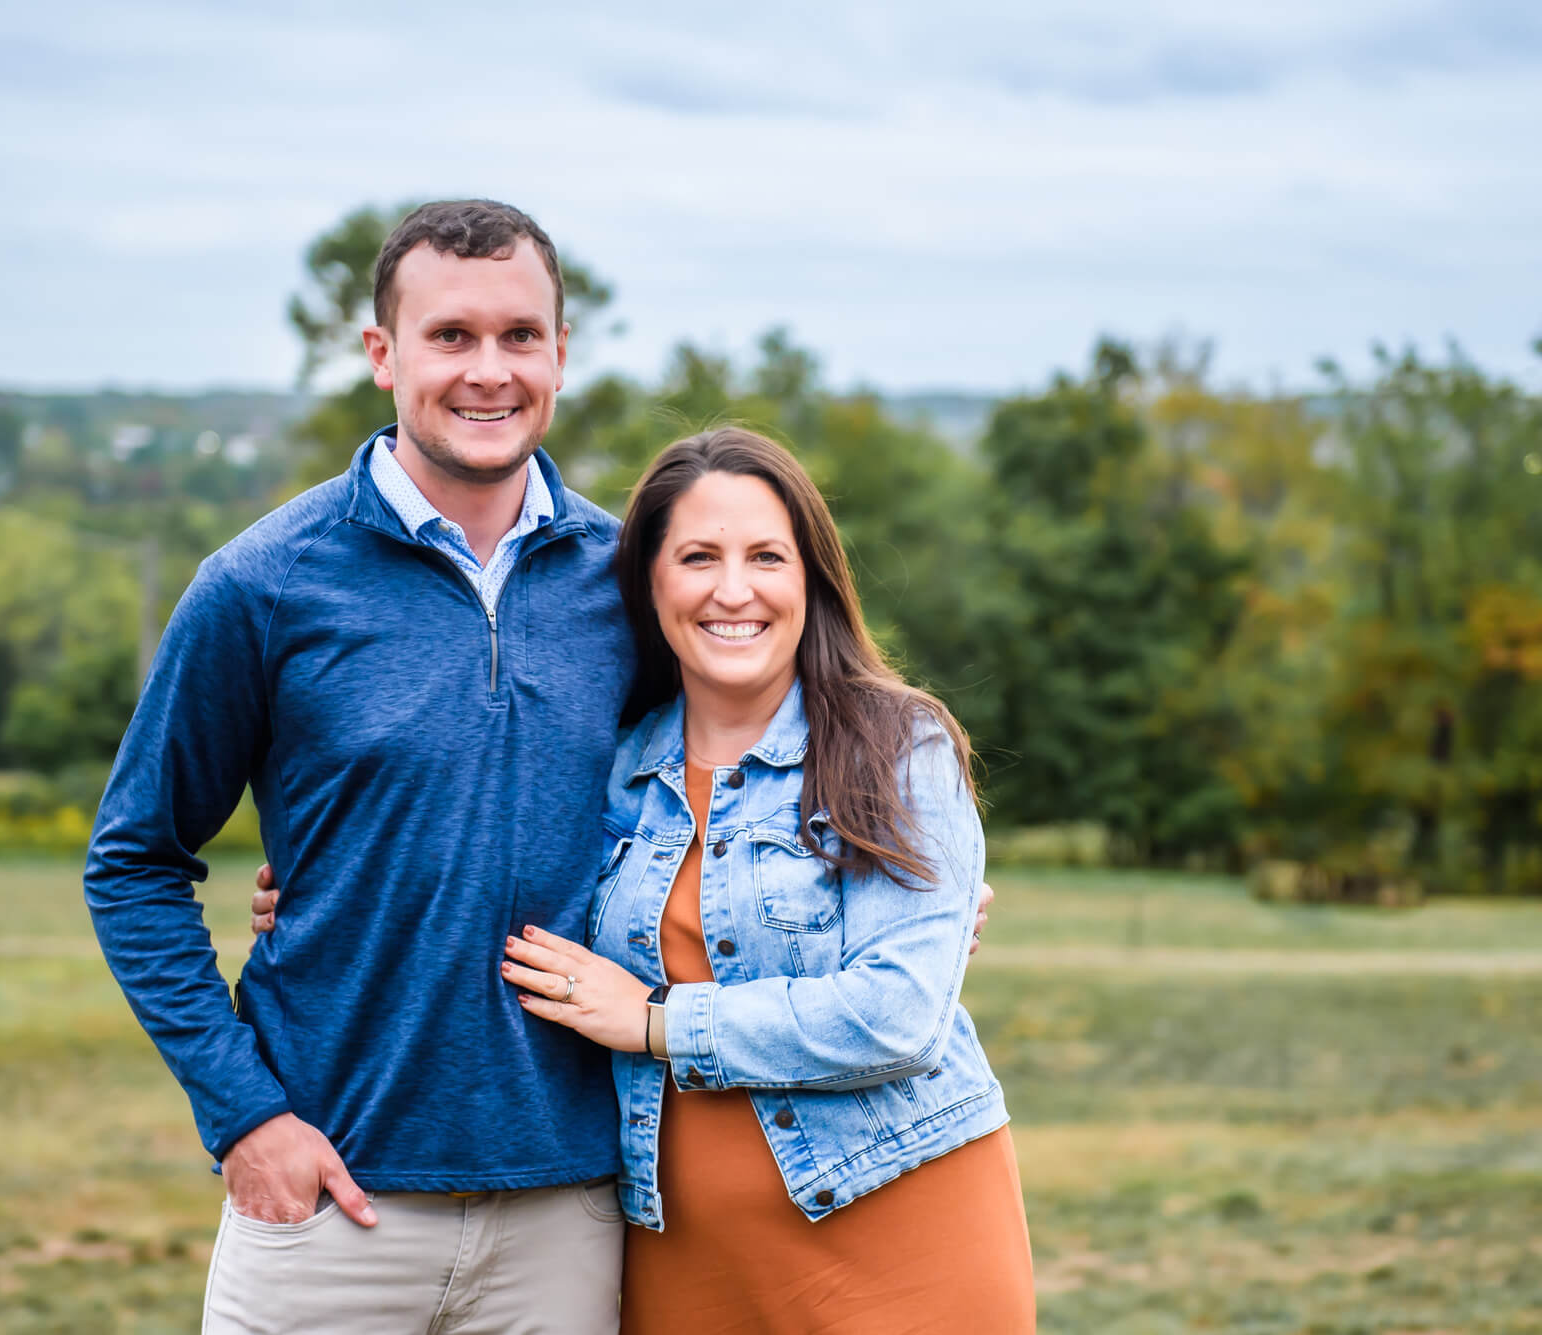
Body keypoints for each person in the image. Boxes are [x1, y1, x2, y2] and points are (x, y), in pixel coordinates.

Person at [91, 198, 991, 1335]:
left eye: (520, 337)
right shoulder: (261, 586)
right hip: (329, 1197)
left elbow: (756, 775)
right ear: (381, 354)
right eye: (450, 336)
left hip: (574, 1212)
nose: (488, 371)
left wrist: (920, 883)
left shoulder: (632, 585)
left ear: (560, 355)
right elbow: (132, 862)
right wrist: (244, 1118)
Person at [497, 427, 1035, 1333]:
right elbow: (498, 898)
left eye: (766, 557)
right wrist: (314, 890)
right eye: (698, 556)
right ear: (651, 583)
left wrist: (659, 1022)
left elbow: (899, 1015)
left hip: (902, 1228)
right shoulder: (608, 768)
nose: (733, 590)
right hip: (684, 1257)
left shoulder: (898, 748)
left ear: (811, 580)